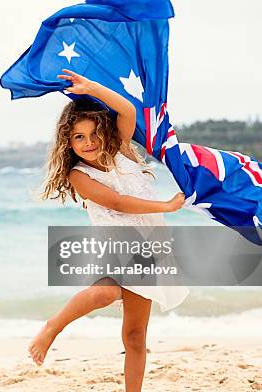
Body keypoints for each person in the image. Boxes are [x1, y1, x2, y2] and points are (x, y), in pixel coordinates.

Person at [29, 69, 189, 392]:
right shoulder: (79, 174)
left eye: (93, 134)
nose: (88, 143)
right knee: (105, 292)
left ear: (105, 130)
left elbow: (128, 110)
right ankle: (52, 326)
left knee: (134, 335)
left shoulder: (124, 150)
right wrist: (166, 206)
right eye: (78, 137)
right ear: (68, 141)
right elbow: (117, 202)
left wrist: (92, 88)